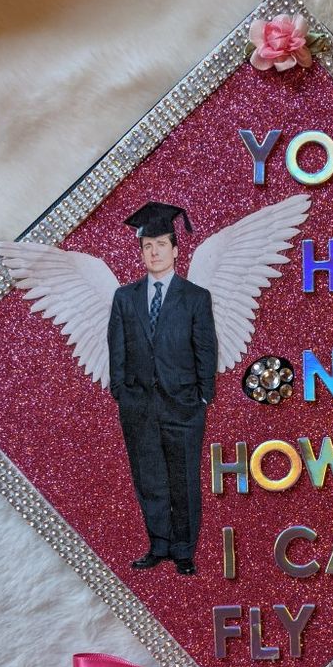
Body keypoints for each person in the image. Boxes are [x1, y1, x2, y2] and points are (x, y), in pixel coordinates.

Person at [107, 201, 217, 576]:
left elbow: (206, 348)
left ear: (174, 248)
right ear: (141, 252)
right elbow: (116, 347)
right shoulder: (125, 298)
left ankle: (184, 550)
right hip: (138, 405)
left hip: (184, 404)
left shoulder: (195, 297)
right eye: (146, 246)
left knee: (183, 478)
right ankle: (159, 545)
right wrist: (121, 390)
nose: (153, 252)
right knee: (149, 477)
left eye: (160, 245)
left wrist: (204, 395)